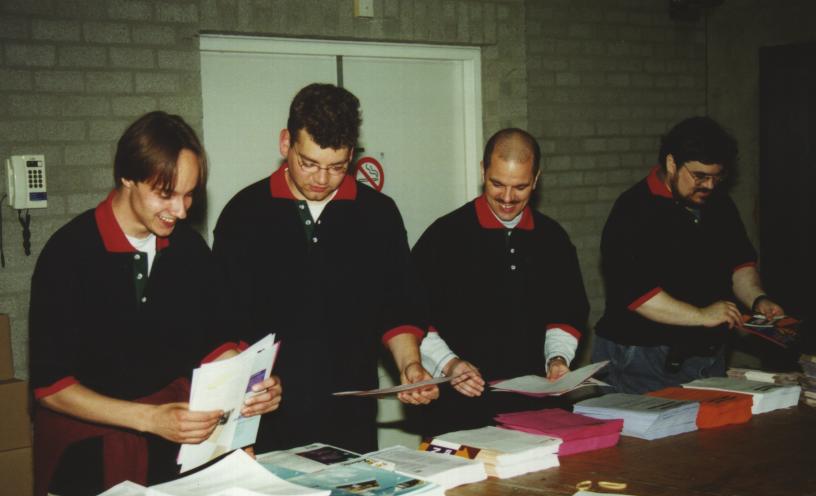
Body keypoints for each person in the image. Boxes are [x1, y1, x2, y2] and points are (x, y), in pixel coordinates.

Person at [29, 111, 282, 496]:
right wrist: (149, 419)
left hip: (174, 456)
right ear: (127, 177)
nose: (181, 211)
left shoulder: (189, 251)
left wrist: (251, 384)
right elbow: (52, 389)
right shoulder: (69, 254)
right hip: (85, 463)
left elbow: (214, 342)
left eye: (189, 194)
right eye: (166, 194)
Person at [212, 83, 438, 454]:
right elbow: (224, 320)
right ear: (286, 143)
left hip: (350, 417)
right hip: (266, 416)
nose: (321, 179)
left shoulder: (377, 215)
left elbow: (398, 307)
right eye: (309, 163)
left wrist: (411, 365)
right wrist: (247, 391)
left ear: (352, 154)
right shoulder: (245, 214)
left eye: (336, 167)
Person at [408, 128, 590, 434]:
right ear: (482, 171)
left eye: (520, 187)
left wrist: (557, 359)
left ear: (536, 179)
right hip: (460, 411)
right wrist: (449, 365)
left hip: (538, 408)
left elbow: (566, 311)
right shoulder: (444, 237)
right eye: (497, 184)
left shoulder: (553, 239)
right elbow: (412, 316)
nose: (507, 198)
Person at [593, 116, 785, 394]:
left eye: (717, 177)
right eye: (699, 176)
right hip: (642, 359)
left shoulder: (718, 203)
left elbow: (739, 264)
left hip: (707, 356)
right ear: (671, 163)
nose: (709, 186)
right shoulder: (633, 211)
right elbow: (638, 296)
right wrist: (701, 315)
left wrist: (758, 299)